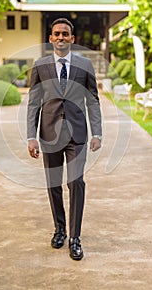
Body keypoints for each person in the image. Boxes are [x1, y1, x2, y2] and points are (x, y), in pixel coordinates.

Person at [27, 17, 102, 261]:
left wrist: (97, 132)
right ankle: (59, 229)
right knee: (54, 185)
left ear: (72, 38)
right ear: (51, 39)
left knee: (76, 183)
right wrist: (31, 136)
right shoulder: (40, 65)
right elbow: (33, 103)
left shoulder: (84, 65)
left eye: (65, 34)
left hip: (77, 135)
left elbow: (93, 99)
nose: (60, 37)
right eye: (56, 34)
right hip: (49, 135)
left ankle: (75, 238)